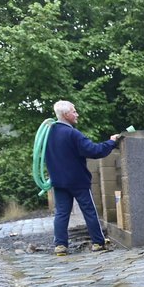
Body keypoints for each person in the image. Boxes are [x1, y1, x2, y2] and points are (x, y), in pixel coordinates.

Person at [45, 100, 120, 256]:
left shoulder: (49, 134)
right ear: (66, 115)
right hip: (78, 180)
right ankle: (98, 243)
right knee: (89, 211)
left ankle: (60, 245)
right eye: (74, 111)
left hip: (58, 181)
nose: (77, 113)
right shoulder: (72, 133)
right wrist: (111, 142)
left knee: (61, 213)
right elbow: (94, 151)